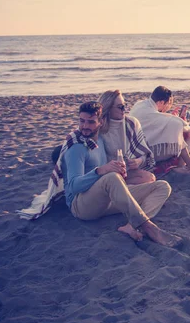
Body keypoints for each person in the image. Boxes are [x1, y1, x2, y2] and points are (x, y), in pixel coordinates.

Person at [63, 101, 179, 245]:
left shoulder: (99, 140)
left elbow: (120, 128)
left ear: (101, 122)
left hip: (104, 201)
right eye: (82, 121)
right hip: (81, 206)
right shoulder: (77, 148)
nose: (85, 126)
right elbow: (74, 186)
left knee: (162, 186)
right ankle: (148, 227)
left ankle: (131, 226)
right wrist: (100, 171)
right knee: (111, 177)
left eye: (91, 122)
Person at [130, 86, 190, 177]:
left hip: (138, 147)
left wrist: (172, 117)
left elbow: (157, 121)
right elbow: (177, 124)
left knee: (185, 120)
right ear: (161, 102)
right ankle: (185, 165)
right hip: (150, 153)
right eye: (168, 103)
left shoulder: (140, 105)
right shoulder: (154, 115)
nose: (169, 106)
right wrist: (187, 127)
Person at [98, 90, 156, 185]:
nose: (124, 109)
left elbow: (146, 155)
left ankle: (118, 191)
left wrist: (138, 161)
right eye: (120, 107)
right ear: (108, 108)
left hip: (126, 172)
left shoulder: (131, 124)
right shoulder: (99, 127)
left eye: (125, 105)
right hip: (106, 174)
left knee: (150, 178)